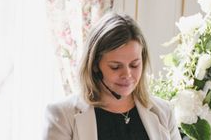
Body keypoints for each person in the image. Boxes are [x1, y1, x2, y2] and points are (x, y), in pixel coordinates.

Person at [43, 12, 180, 140]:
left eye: (134, 65)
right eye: (115, 67)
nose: (127, 74)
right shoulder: (63, 115)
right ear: (95, 65)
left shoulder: (163, 112)